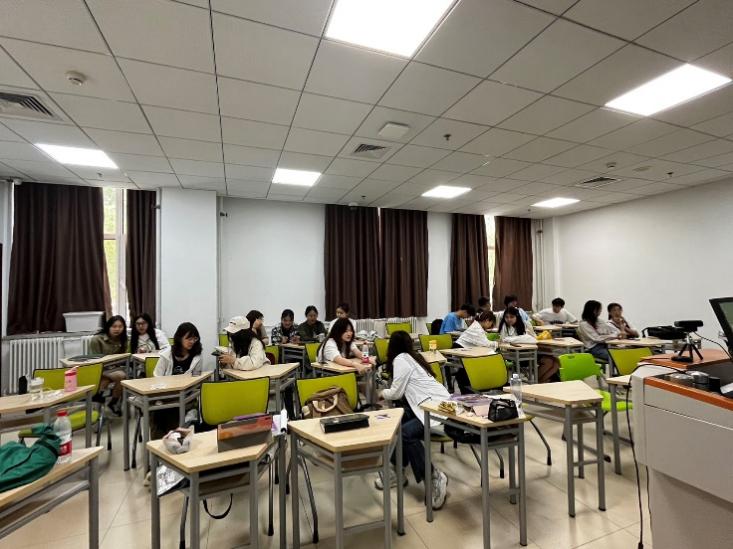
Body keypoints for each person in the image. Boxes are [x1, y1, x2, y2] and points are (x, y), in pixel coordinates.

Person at [378, 331, 449, 510]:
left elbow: (396, 393)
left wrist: (382, 393)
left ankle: (433, 476)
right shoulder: (413, 357)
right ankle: (397, 472)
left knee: (405, 433)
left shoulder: (400, 359)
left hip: (435, 409)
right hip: (434, 405)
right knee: (397, 422)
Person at [151, 322, 203, 433]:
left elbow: (197, 379)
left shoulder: (197, 356)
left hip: (186, 396)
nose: (192, 342)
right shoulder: (167, 355)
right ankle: (162, 438)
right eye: (188, 338)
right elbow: (156, 377)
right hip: (166, 395)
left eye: (194, 339)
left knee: (185, 413)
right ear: (179, 338)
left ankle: (177, 436)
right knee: (161, 412)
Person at [89, 315, 128, 416]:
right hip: (99, 368)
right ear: (108, 327)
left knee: (107, 380)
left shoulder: (123, 339)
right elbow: (95, 361)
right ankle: (113, 402)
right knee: (121, 376)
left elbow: (124, 357)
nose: (117, 329)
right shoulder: (97, 339)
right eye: (114, 326)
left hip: (114, 369)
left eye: (120, 326)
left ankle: (99, 399)